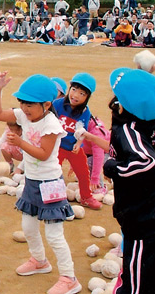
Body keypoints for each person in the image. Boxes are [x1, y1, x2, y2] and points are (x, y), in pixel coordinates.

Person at [0, 73, 80, 294]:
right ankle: (40, 261)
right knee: (28, 228)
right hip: (32, 182)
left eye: (29, 104)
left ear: (47, 105)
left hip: (51, 184)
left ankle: (70, 277)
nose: (24, 107)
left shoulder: (51, 124)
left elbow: (43, 153)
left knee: (54, 234)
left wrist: (20, 141)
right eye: (22, 102)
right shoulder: (23, 116)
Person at [104, 68, 155, 294]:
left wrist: (112, 167)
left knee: (137, 280)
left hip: (143, 221)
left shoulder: (129, 130)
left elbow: (147, 163)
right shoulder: (148, 122)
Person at [52, 74, 102, 211]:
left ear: (87, 97)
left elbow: (81, 130)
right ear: (69, 89)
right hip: (57, 146)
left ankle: (86, 196)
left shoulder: (85, 111)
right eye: (74, 90)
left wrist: (78, 144)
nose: (76, 95)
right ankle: (52, 196)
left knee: (83, 172)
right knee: (53, 171)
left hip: (73, 147)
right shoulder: (57, 104)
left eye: (82, 93)